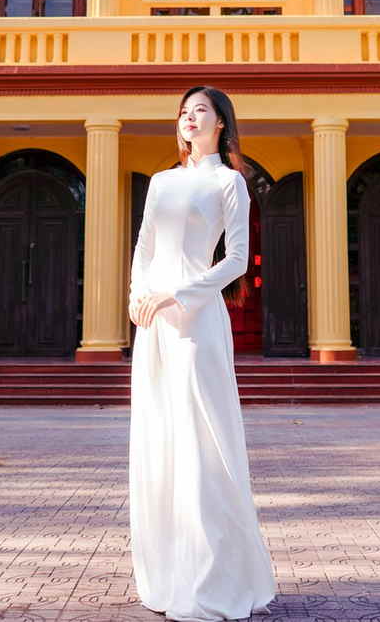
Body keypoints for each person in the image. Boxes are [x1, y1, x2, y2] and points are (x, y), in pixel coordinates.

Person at [127, 85, 277, 621]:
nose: (189, 119)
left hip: (196, 323)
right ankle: (169, 576)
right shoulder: (161, 181)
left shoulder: (228, 181)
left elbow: (237, 259)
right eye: (184, 112)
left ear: (220, 124)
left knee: (201, 442)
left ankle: (214, 580)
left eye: (201, 112)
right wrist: (137, 298)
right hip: (154, 325)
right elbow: (144, 247)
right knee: (160, 440)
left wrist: (179, 293)